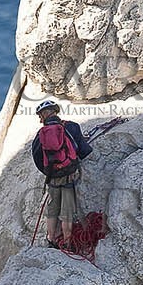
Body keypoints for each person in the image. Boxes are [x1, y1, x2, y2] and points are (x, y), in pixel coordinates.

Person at [32, 99, 93, 251]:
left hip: (53, 177)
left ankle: (51, 239)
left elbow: (37, 156)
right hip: (69, 175)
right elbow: (84, 151)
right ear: (55, 111)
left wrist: (49, 171)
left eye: (40, 116)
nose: (40, 119)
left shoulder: (41, 135)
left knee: (53, 208)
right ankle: (67, 243)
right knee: (67, 211)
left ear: (44, 115)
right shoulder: (71, 127)